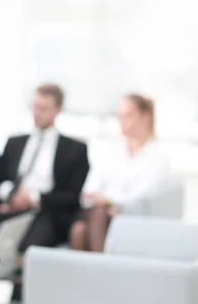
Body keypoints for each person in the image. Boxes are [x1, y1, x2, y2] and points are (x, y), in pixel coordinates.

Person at [0, 84, 89, 304]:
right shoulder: (15, 142)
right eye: (35, 106)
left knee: (28, 261)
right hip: (11, 211)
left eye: (44, 108)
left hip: (47, 215)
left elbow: (73, 197)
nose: (38, 113)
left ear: (58, 110)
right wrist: (11, 194)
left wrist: (35, 198)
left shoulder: (75, 149)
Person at [70, 93, 172, 252]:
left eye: (128, 116)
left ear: (146, 117)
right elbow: (89, 190)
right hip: (98, 212)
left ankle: (98, 270)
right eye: (120, 116)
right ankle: (103, 271)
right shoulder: (111, 151)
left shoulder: (158, 158)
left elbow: (141, 196)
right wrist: (102, 201)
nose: (122, 121)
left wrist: (110, 201)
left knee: (80, 231)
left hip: (127, 217)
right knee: (86, 223)